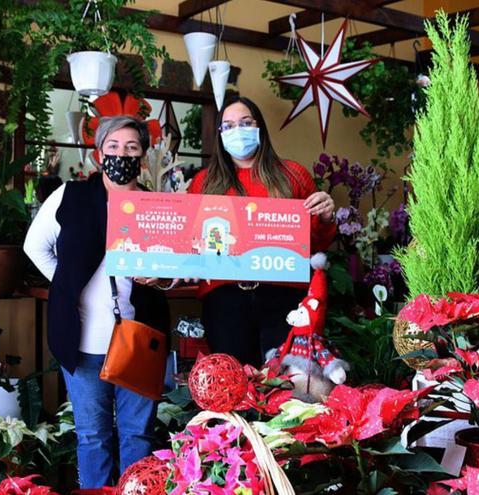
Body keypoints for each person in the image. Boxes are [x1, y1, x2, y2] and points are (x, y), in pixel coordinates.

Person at [24, 115, 169, 489]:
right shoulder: (69, 196)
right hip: (83, 340)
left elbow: (176, 263)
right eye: (114, 147)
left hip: (140, 338)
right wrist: (66, 283)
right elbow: (34, 246)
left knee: (138, 436)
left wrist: (163, 277)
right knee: (92, 437)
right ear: (99, 153)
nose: (122, 155)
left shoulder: (157, 206)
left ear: (143, 156)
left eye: (132, 148)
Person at [188, 96, 336, 367]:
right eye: (229, 126)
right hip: (224, 299)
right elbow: (190, 244)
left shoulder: (293, 175)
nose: (238, 131)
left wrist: (326, 217)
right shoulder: (204, 182)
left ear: (259, 128)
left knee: (284, 382)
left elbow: (315, 243)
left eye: (246, 123)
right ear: (220, 134)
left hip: (284, 295)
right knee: (233, 382)